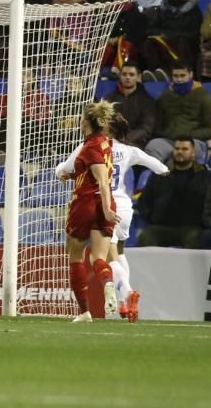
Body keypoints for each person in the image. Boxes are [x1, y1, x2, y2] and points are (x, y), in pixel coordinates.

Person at [56, 113, 168, 323]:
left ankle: (122, 294)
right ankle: (123, 297)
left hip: (96, 202)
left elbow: (72, 170)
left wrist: (63, 174)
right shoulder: (127, 150)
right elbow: (159, 167)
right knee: (114, 254)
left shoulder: (88, 146)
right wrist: (164, 170)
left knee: (91, 257)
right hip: (123, 206)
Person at [63, 101, 118, 323]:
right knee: (98, 257)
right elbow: (95, 175)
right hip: (104, 202)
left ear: (85, 121)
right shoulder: (106, 143)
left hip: (87, 204)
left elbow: (102, 181)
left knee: (75, 256)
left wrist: (105, 209)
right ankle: (108, 283)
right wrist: (74, 175)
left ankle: (84, 311)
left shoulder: (91, 146)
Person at [136, 137, 211, 249]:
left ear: (193, 153)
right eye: (177, 148)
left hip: (192, 227)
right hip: (162, 226)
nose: (180, 152)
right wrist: (152, 217)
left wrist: (203, 222)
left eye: (184, 149)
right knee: (146, 237)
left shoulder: (206, 177)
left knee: (196, 239)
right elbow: (144, 201)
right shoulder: (159, 174)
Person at [144, 62, 211, 164]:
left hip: (194, 141)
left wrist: (188, 135)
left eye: (182, 75)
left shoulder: (204, 96)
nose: (179, 79)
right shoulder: (164, 97)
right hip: (169, 140)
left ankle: (171, 174)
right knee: (152, 147)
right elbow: (157, 126)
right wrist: (169, 133)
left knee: (179, 155)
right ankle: (158, 177)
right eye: (175, 76)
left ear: (190, 75)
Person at [102, 62, 155, 150]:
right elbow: (104, 122)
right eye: (124, 74)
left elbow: (146, 129)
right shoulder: (109, 98)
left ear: (138, 77)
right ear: (120, 76)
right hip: (112, 141)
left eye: (131, 74)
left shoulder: (147, 101)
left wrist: (125, 139)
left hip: (136, 143)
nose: (127, 77)